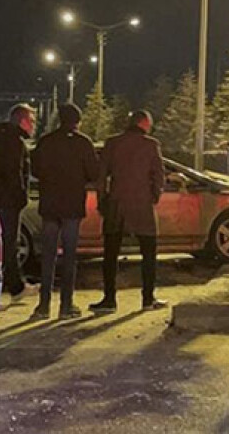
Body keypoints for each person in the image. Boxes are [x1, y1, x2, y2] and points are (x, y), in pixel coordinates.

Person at [91, 110, 168, 314]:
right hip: (142, 205)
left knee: (110, 254)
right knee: (149, 254)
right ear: (144, 124)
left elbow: (101, 177)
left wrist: (102, 203)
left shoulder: (112, 143)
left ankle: (109, 299)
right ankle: (148, 298)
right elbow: (159, 176)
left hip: (117, 205)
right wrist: (153, 197)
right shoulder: (151, 145)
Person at [29, 103, 100, 320]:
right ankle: (66, 305)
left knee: (48, 255)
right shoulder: (83, 143)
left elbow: (35, 170)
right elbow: (94, 172)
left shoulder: (46, 142)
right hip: (72, 206)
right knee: (70, 255)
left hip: (50, 205)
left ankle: (43, 305)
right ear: (77, 121)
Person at [0, 103, 36, 300]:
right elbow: (14, 173)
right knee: (8, 244)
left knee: (4, 245)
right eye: (31, 121)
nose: (33, 125)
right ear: (22, 121)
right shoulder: (14, 142)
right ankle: (15, 288)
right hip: (7, 202)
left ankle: (11, 286)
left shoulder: (0, 139)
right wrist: (21, 197)